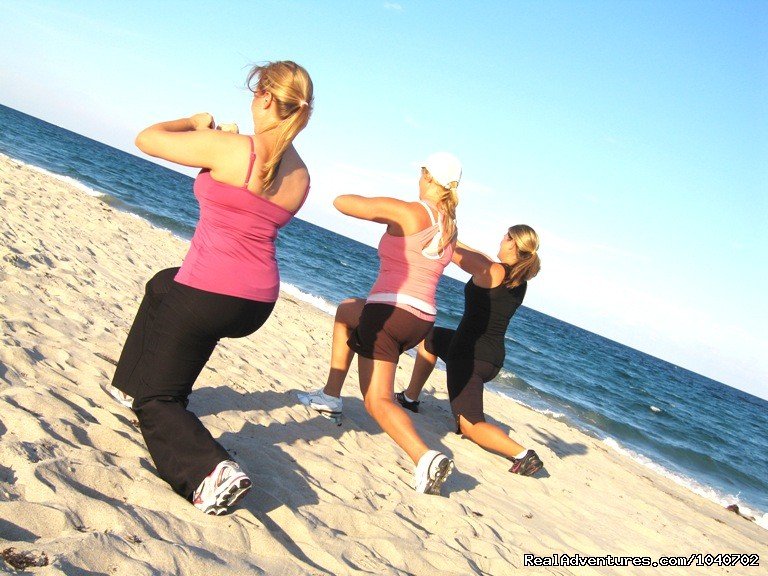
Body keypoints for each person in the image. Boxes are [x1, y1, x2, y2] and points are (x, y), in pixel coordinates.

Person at [101, 61, 314, 514]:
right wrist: (226, 145)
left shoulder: (233, 149)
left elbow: (147, 138)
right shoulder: (301, 175)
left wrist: (195, 124)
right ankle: (127, 381)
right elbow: (252, 198)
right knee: (162, 285)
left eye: (255, 93)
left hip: (210, 294)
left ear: (266, 100)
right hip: (256, 302)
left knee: (159, 401)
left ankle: (209, 471)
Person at [298, 153, 461, 495]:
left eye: (422, 173)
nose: (418, 178)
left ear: (429, 178)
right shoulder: (449, 225)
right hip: (421, 320)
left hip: (390, 314)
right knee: (346, 311)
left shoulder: (409, 211)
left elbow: (343, 203)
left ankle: (425, 457)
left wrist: (383, 207)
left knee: (377, 401)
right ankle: (330, 395)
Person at [396, 225, 544, 476]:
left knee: (470, 426)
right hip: (489, 355)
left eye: (505, 236)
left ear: (512, 244)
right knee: (430, 338)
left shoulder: (494, 271)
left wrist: (432, 233)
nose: (500, 239)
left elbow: (453, 253)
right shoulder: (517, 278)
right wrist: (447, 231)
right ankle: (410, 398)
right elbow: (474, 254)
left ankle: (523, 455)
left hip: (469, 356)